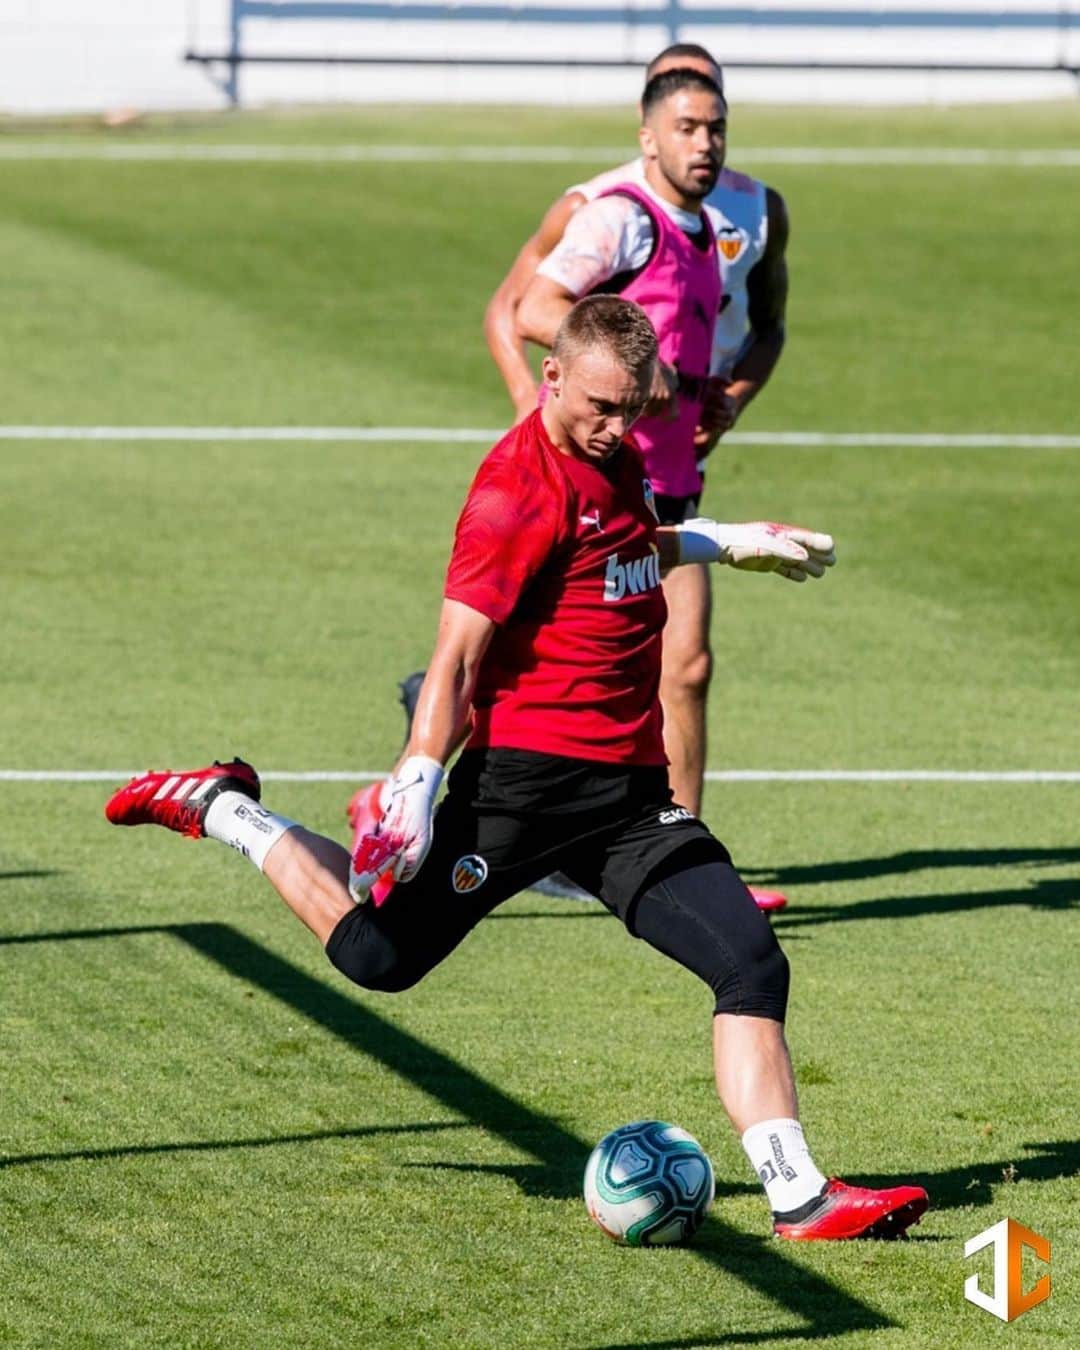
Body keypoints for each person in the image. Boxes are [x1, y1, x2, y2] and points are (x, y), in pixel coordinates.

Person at [105, 297, 927, 1241]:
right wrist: (418, 770)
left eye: (633, 408)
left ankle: (799, 1195)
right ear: (552, 378)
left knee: (747, 960)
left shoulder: (613, 459)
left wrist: (718, 539)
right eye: (600, 408)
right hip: (521, 793)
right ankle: (222, 807)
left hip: (628, 802)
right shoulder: (512, 493)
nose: (618, 428)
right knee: (378, 957)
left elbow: (616, 547)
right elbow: (456, 655)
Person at [487, 42, 789, 831]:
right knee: (520, 663)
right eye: (686, 124)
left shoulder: (735, 217)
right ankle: (400, 794)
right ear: (648, 130)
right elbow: (524, 307)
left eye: (715, 123)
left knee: (685, 665)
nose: (705, 141)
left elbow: (765, 329)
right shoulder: (612, 213)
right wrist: (563, 386)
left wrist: (728, 398)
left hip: (673, 481)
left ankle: (679, 845)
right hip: (590, 481)